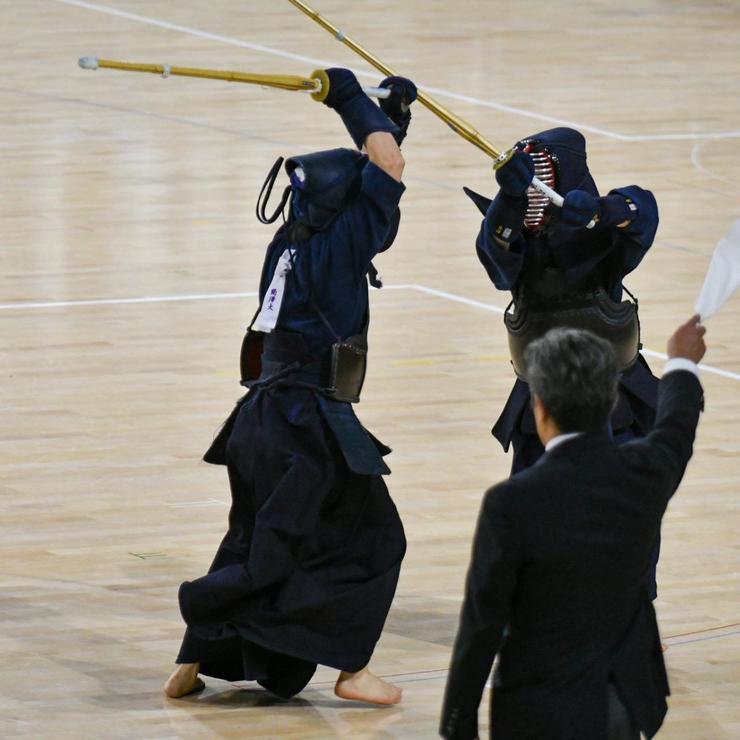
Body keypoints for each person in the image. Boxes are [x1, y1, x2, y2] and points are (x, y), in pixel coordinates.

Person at [163, 68, 417, 705]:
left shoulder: (292, 240)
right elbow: (384, 171)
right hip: (310, 428)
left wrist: (391, 115)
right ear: (346, 207)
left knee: (254, 535)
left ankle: (192, 665)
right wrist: (352, 100)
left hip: (259, 423)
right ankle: (352, 672)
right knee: (375, 541)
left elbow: (377, 173)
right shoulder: (339, 249)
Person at [439, 316, 706, 740]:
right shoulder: (643, 474)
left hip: (537, 708)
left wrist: (458, 725)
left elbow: (481, 625)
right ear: (612, 398)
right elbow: (677, 427)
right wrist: (682, 363)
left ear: (539, 406)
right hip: (620, 700)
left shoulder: (510, 504)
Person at [464, 126, 664, 597]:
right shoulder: (518, 240)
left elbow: (642, 210)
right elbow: (496, 256)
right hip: (544, 404)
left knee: (625, 514)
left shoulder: (603, 238)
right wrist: (510, 200)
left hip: (615, 399)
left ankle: (625, 610)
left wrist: (599, 210)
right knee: (540, 513)